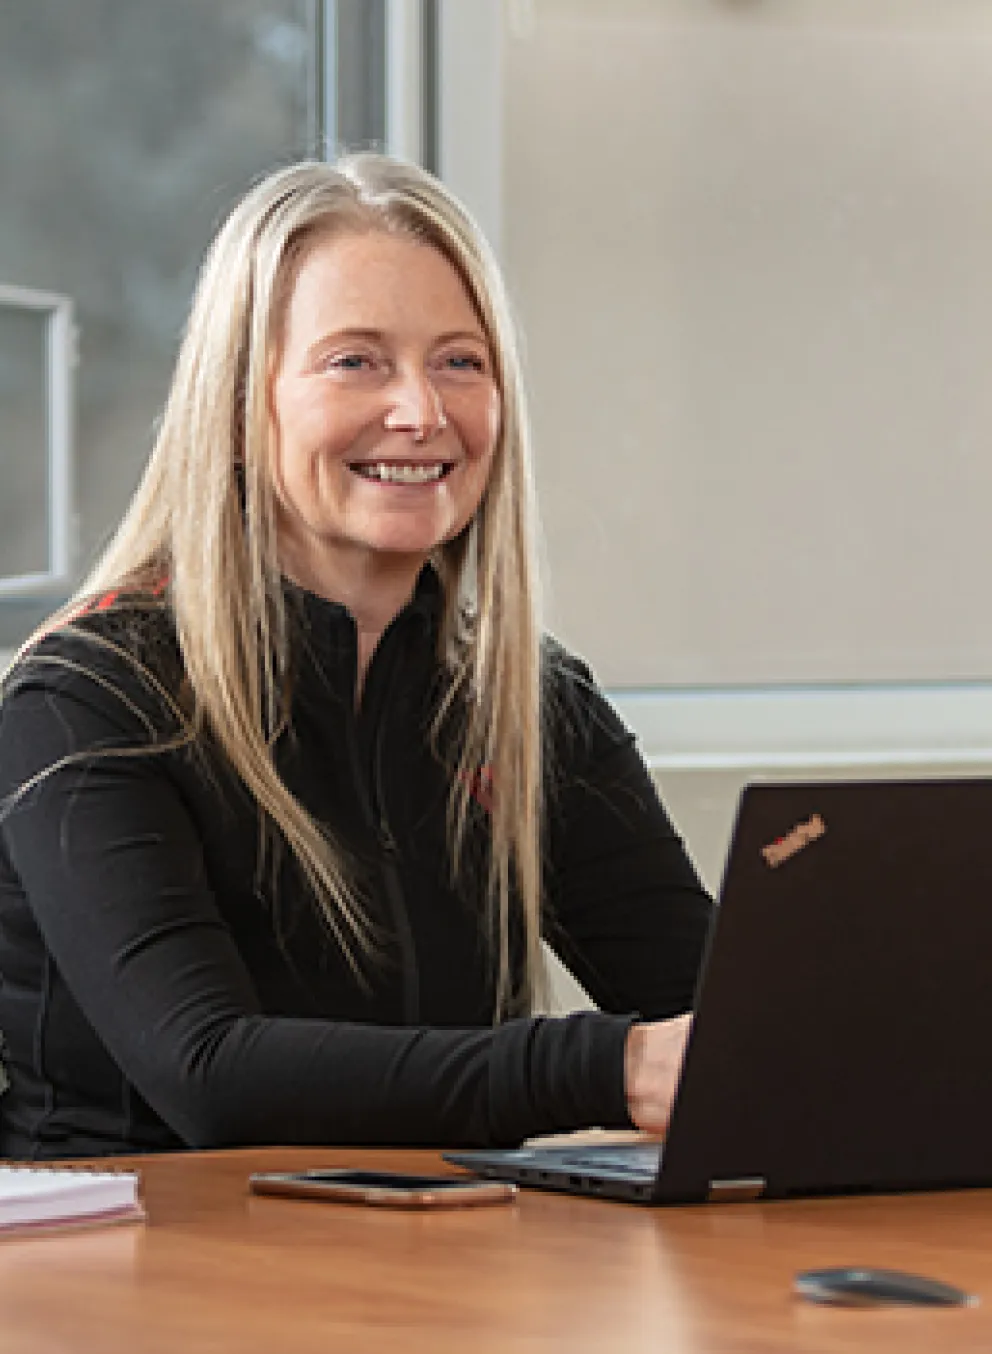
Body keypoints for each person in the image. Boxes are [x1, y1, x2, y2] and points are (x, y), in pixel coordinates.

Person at [0, 155, 712, 1160]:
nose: (421, 412)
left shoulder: (527, 703)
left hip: (433, 1268)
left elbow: (731, 1026)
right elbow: (213, 1076)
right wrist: (609, 1068)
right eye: (356, 362)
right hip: (139, 1283)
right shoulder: (89, 698)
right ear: (242, 405)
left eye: (459, 362)